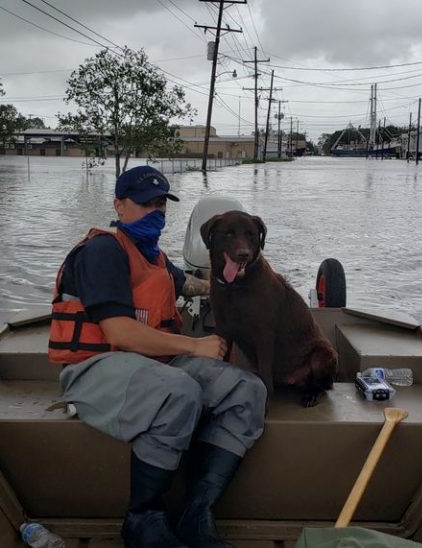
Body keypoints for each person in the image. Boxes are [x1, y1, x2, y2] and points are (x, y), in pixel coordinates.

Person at [48, 165, 267, 548]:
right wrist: (196, 346)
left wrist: (236, 284)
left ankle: (195, 515)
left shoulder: (156, 258)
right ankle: (143, 519)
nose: (157, 211)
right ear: (119, 205)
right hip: (92, 368)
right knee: (179, 390)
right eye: (146, 203)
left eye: (162, 204)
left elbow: (194, 285)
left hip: (153, 365)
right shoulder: (103, 251)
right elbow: (119, 332)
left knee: (246, 389)